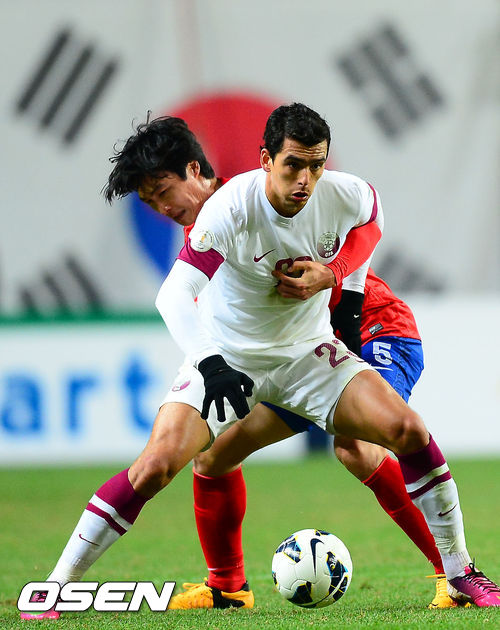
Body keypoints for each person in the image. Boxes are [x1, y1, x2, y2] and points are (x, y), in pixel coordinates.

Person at [20, 107, 499, 620]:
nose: (161, 207)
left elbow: (368, 216)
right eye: (150, 200)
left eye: (163, 192)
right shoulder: (216, 223)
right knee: (201, 459)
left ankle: (454, 573)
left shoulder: (283, 198)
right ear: (268, 160)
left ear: (196, 171)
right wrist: (212, 364)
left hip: (367, 330)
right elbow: (179, 297)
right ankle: (205, 587)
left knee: (366, 443)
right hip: (250, 360)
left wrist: (342, 284)